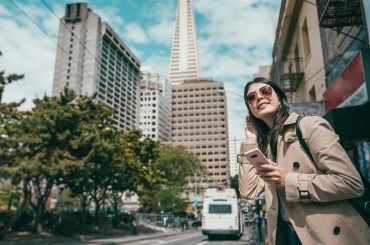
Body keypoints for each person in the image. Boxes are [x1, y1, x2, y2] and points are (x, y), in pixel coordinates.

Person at [238, 77, 370, 245]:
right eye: (251, 97)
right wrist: (250, 140)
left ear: (280, 98)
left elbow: (351, 183)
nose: (259, 97)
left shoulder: (309, 126)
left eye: (265, 91)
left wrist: (288, 181)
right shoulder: (266, 148)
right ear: (250, 108)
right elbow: (248, 191)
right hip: (285, 236)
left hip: (325, 237)